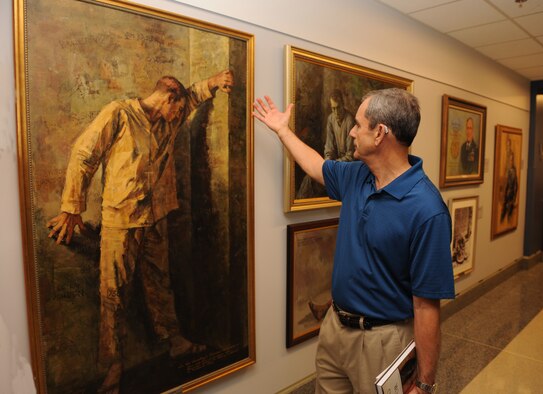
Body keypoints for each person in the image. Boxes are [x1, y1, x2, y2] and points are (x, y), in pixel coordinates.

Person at [253, 88, 454, 394]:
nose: (351, 132)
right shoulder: (358, 175)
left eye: (359, 124)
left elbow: (427, 306)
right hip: (335, 329)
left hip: (383, 342)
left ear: (380, 134)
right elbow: (316, 165)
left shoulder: (427, 210)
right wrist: (282, 130)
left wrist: (425, 384)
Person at [46, 69, 234, 393]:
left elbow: (191, 98)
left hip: (156, 218)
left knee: (160, 285)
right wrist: (72, 207)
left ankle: (174, 342)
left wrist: (214, 82)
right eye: (178, 106)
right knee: (113, 294)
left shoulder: (170, 117)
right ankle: (112, 369)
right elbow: (83, 155)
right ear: (166, 99)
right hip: (121, 220)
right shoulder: (119, 114)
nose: (181, 113)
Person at [296, 89, 355, 199]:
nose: (336, 112)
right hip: (334, 165)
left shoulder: (349, 120)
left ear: (343, 105)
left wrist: (331, 166)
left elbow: (350, 156)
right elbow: (329, 148)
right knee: (309, 179)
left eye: (338, 108)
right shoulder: (331, 119)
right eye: (333, 108)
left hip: (346, 166)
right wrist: (327, 163)